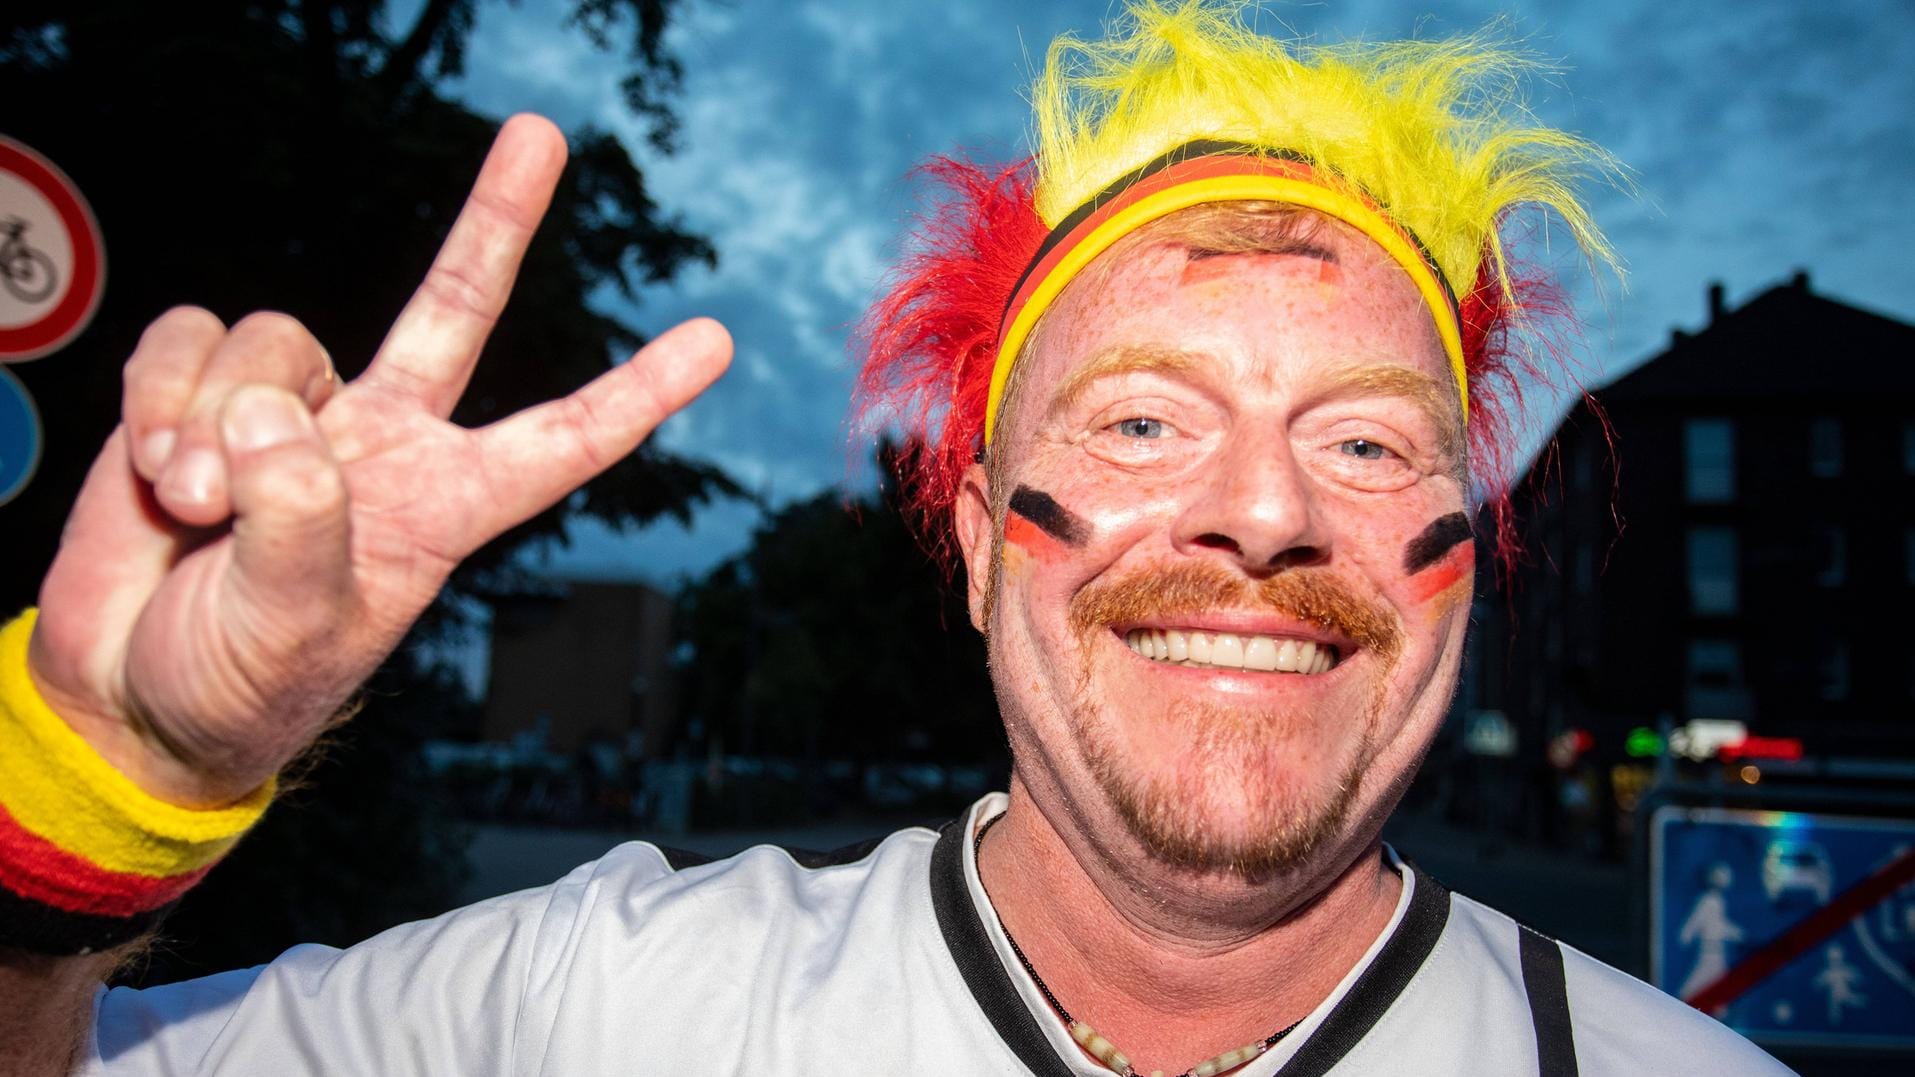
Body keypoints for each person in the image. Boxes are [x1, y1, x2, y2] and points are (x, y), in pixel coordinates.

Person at [1, 3, 1788, 1074]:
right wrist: (92, 792)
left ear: (1467, 547)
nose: (1263, 509)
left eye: (1368, 438)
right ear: (980, 541)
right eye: (1147, 421)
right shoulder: (595, 1011)